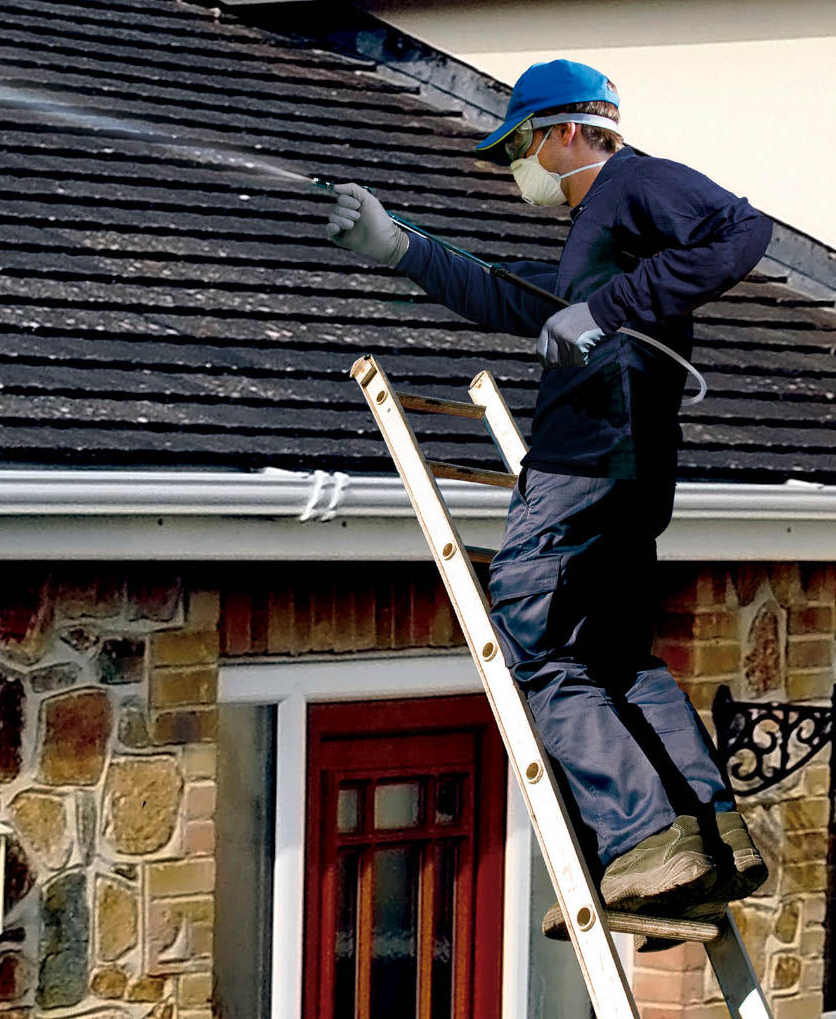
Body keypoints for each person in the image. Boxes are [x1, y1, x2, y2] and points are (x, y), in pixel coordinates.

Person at [324, 60, 774, 940]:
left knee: (537, 636)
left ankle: (644, 841)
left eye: (522, 145)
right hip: (630, 470)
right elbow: (515, 295)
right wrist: (401, 247)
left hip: (584, 460)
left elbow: (740, 231)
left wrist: (607, 311)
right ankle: (712, 835)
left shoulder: (636, 183)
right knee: (612, 656)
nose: (517, 165)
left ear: (571, 130)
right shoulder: (601, 236)